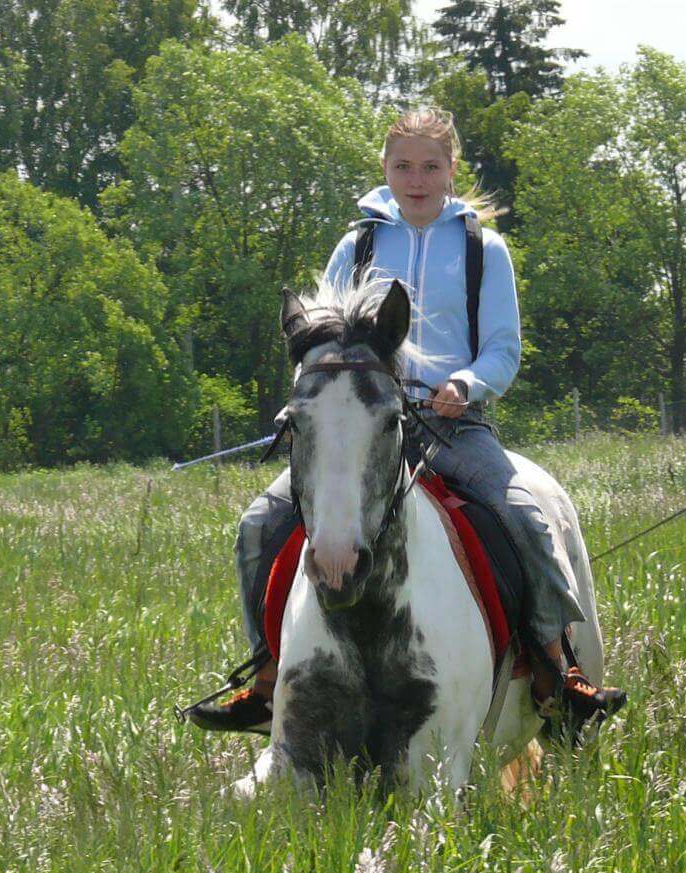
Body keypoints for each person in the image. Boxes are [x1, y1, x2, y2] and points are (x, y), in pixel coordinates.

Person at [189, 108, 624, 734]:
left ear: (450, 171)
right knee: (260, 523)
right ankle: (265, 677)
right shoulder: (357, 245)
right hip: (362, 424)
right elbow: (320, 340)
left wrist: (465, 383)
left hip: (452, 422)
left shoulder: (483, 249)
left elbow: (503, 347)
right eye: (403, 166)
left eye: (430, 166)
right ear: (385, 171)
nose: (416, 179)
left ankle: (558, 670)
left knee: (526, 513)